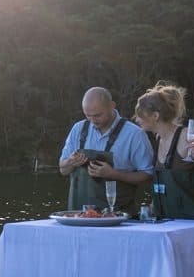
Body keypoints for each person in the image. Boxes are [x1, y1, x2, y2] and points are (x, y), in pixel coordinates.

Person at [135, 82, 194, 220]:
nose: (136, 119)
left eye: (140, 115)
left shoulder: (187, 137)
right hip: (167, 223)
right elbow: (166, 187)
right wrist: (151, 209)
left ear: (155, 116)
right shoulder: (159, 138)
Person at [58, 87, 153, 216]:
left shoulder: (135, 134)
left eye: (98, 115)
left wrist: (114, 174)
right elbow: (63, 170)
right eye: (88, 115)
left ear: (112, 106)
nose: (93, 120)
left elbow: (148, 177)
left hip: (119, 220)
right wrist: (70, 161)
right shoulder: (78, 129)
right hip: (78, 218)